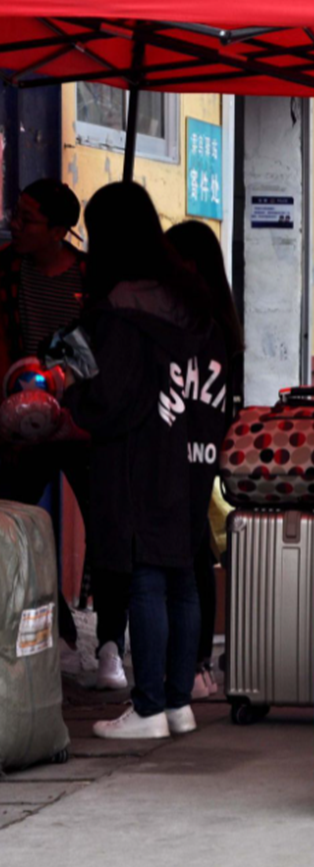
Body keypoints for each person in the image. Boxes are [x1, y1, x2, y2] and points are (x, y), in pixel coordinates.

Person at [65, 182, 230, 740]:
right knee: (181, 574)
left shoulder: (120, 308)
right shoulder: (194, 301)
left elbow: (111, 398)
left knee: (145, 578)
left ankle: (149, 707)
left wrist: (73, 395)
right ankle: (178, 703)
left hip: (139, 461)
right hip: (191, 458)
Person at [0, 179, 101, 678]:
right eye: (15, 214)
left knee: (105, 527)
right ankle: (57, 630)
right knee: (12, 524)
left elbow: (103, 352)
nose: (15, 225)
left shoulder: (89, 277)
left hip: (83, 427)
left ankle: (110, 643)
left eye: (28, 218)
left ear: (59, 231)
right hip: (21, 426)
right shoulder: (6, 270)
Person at [165, 220, 244, 701]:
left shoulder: (191, 324)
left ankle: (191, 667)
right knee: (197, 554)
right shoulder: (224, 326)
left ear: (189, 266)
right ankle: (197, 668)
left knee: (187, 559)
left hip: (180, 450)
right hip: (207, 452)